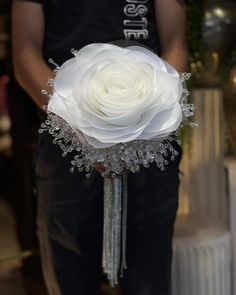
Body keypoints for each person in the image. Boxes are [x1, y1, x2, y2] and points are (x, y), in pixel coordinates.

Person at [12, 1, 187, 294]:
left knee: (149, 276)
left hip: (148, 138)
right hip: (65, 138)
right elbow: (25, 54)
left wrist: (146, 118)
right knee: (69, 273)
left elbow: (176, 44)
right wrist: (79, 125)